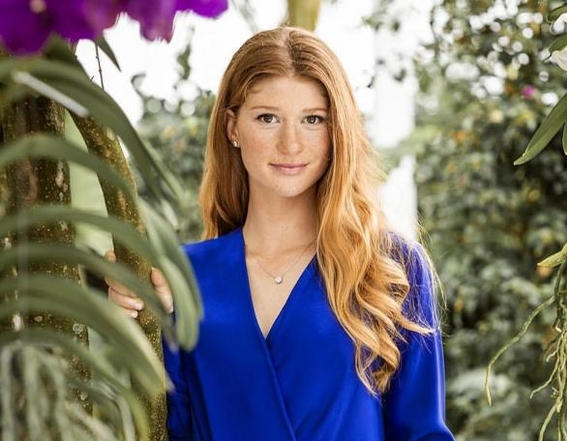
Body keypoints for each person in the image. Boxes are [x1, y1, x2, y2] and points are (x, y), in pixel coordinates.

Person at [108, 26, 455, 440]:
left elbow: (423, 432)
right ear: (233, 128)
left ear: (337, 131)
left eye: (312, 119)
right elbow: (163, 425)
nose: (291, 144)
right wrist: (132, 312)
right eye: (268, 118)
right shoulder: (179, 276)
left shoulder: (390, 267)